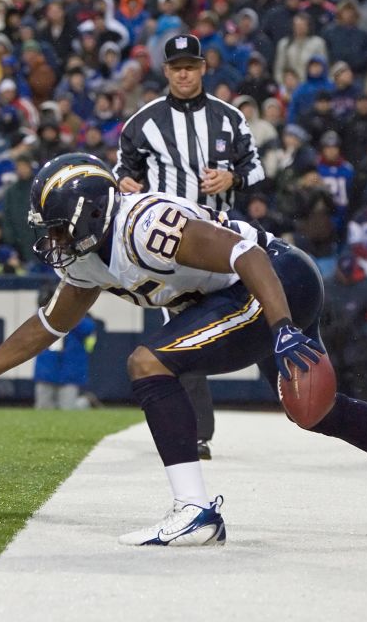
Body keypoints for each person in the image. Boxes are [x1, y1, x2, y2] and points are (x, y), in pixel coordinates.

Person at [0, 154, 367, 547]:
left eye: (60, 230)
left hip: (275, 277)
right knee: (314, 408)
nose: (55, 242)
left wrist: (282, 327)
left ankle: (195, 509)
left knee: (148, 362)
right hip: (256, 289)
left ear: (92, 217)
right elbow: (50, 324)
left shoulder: (145, 229)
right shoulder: (86, 256)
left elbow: (246, 254)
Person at [113, 33, 267, 461]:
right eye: (176, 66)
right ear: (165, 71)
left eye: (191, 66)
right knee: (182, 329)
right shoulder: (143, 122)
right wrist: (125, 185)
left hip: (223, 234)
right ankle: (196, 433)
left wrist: (232, 179)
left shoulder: (229, 117)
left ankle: (293, 391)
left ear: (203, 68)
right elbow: (122, 173)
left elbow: (258, 171)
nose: (184, 73)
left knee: (259, 313)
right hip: (171, 244)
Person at [320, 253, 367, 401]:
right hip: (332, 345)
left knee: (362, 388)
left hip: (357, 345)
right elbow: (317, 315)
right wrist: (325, 334)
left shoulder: (366, 287)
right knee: (332, 390)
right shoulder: (326, 286)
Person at [32, 283, 97, 410]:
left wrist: (68, 312)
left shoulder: (80, 316)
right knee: (43, 407)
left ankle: (86, 402)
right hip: (47, 367)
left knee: (67, 408)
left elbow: (88, 329)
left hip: (69, 369)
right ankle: (86, 401)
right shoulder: (42, 316)